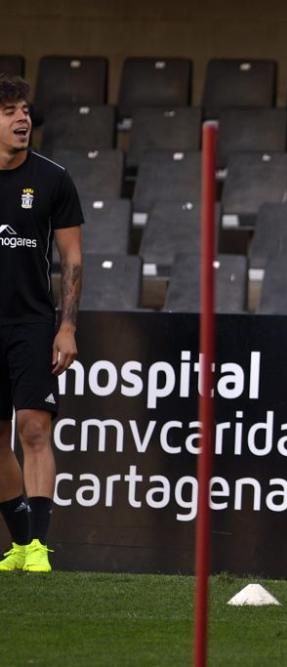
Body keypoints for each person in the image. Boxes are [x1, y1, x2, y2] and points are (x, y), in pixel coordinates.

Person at [0, 74, 84, 573]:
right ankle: (20, 543)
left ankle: (38, 548)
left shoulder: (53, 179)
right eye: (10, 110)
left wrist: (67, 327)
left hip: (32, 322)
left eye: (26, 110)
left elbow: (72, 259)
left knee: (33, 427)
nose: (22, 119)